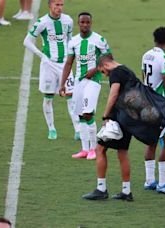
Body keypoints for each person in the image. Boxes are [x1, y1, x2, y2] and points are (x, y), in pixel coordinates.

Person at [60, 12, 111, 159]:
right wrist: (62, 84)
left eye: (87, 22)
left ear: (91, 23)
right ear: (78, 23)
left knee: (88, 113)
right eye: (82, 22)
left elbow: (109, 58)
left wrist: (94, 70)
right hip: (78, 82)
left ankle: (94, 149)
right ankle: (84, 149)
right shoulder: (73, 42)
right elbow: (69, 63)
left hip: (94, 81)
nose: (85, 25)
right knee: (80, 115)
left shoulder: (99, 40)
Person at [82, 55, 134, 201]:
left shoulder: (116, 73)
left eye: (103, 72)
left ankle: (101, 189)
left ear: (105, 65)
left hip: (118, 117)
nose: (106, 75)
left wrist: (106, 116)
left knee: (100, 149)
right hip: (129, 117)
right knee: (122, 152)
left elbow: (113, 94)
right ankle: (126, 191)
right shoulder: (128, 71)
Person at [23, 0, 75, 140]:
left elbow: (69, 40)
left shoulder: (68, 21)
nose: (59, 8)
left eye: (61, 5)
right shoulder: (42, 22)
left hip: (65, 65)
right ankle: (51, 128)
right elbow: (27, 41)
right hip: (48, 65)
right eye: (56, 5)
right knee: (48, 98)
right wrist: (42, 56)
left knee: (71, 97)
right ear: (50, 5)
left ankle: (77, 130)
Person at [141, 26, 165, 195]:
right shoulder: (164, 59)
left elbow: (144, 77)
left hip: (147, 103)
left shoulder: (146, 55)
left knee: (152, 142)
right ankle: (163, 183)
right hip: (160, 105)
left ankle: (149, 180)